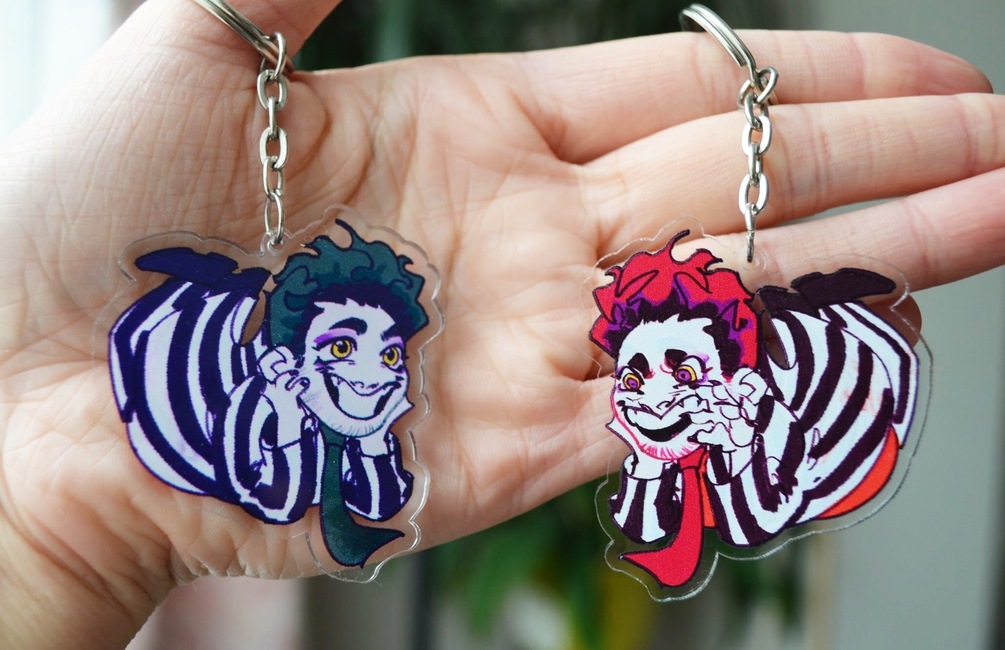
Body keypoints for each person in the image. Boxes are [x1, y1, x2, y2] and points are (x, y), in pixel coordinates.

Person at [2, 0, 1004, 647]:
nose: (375, 373)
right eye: (342, 348)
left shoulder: (750, 451)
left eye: (385, 349)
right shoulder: (238, 429)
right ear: (283, 364)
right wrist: (36, 534)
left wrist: (40, 545)